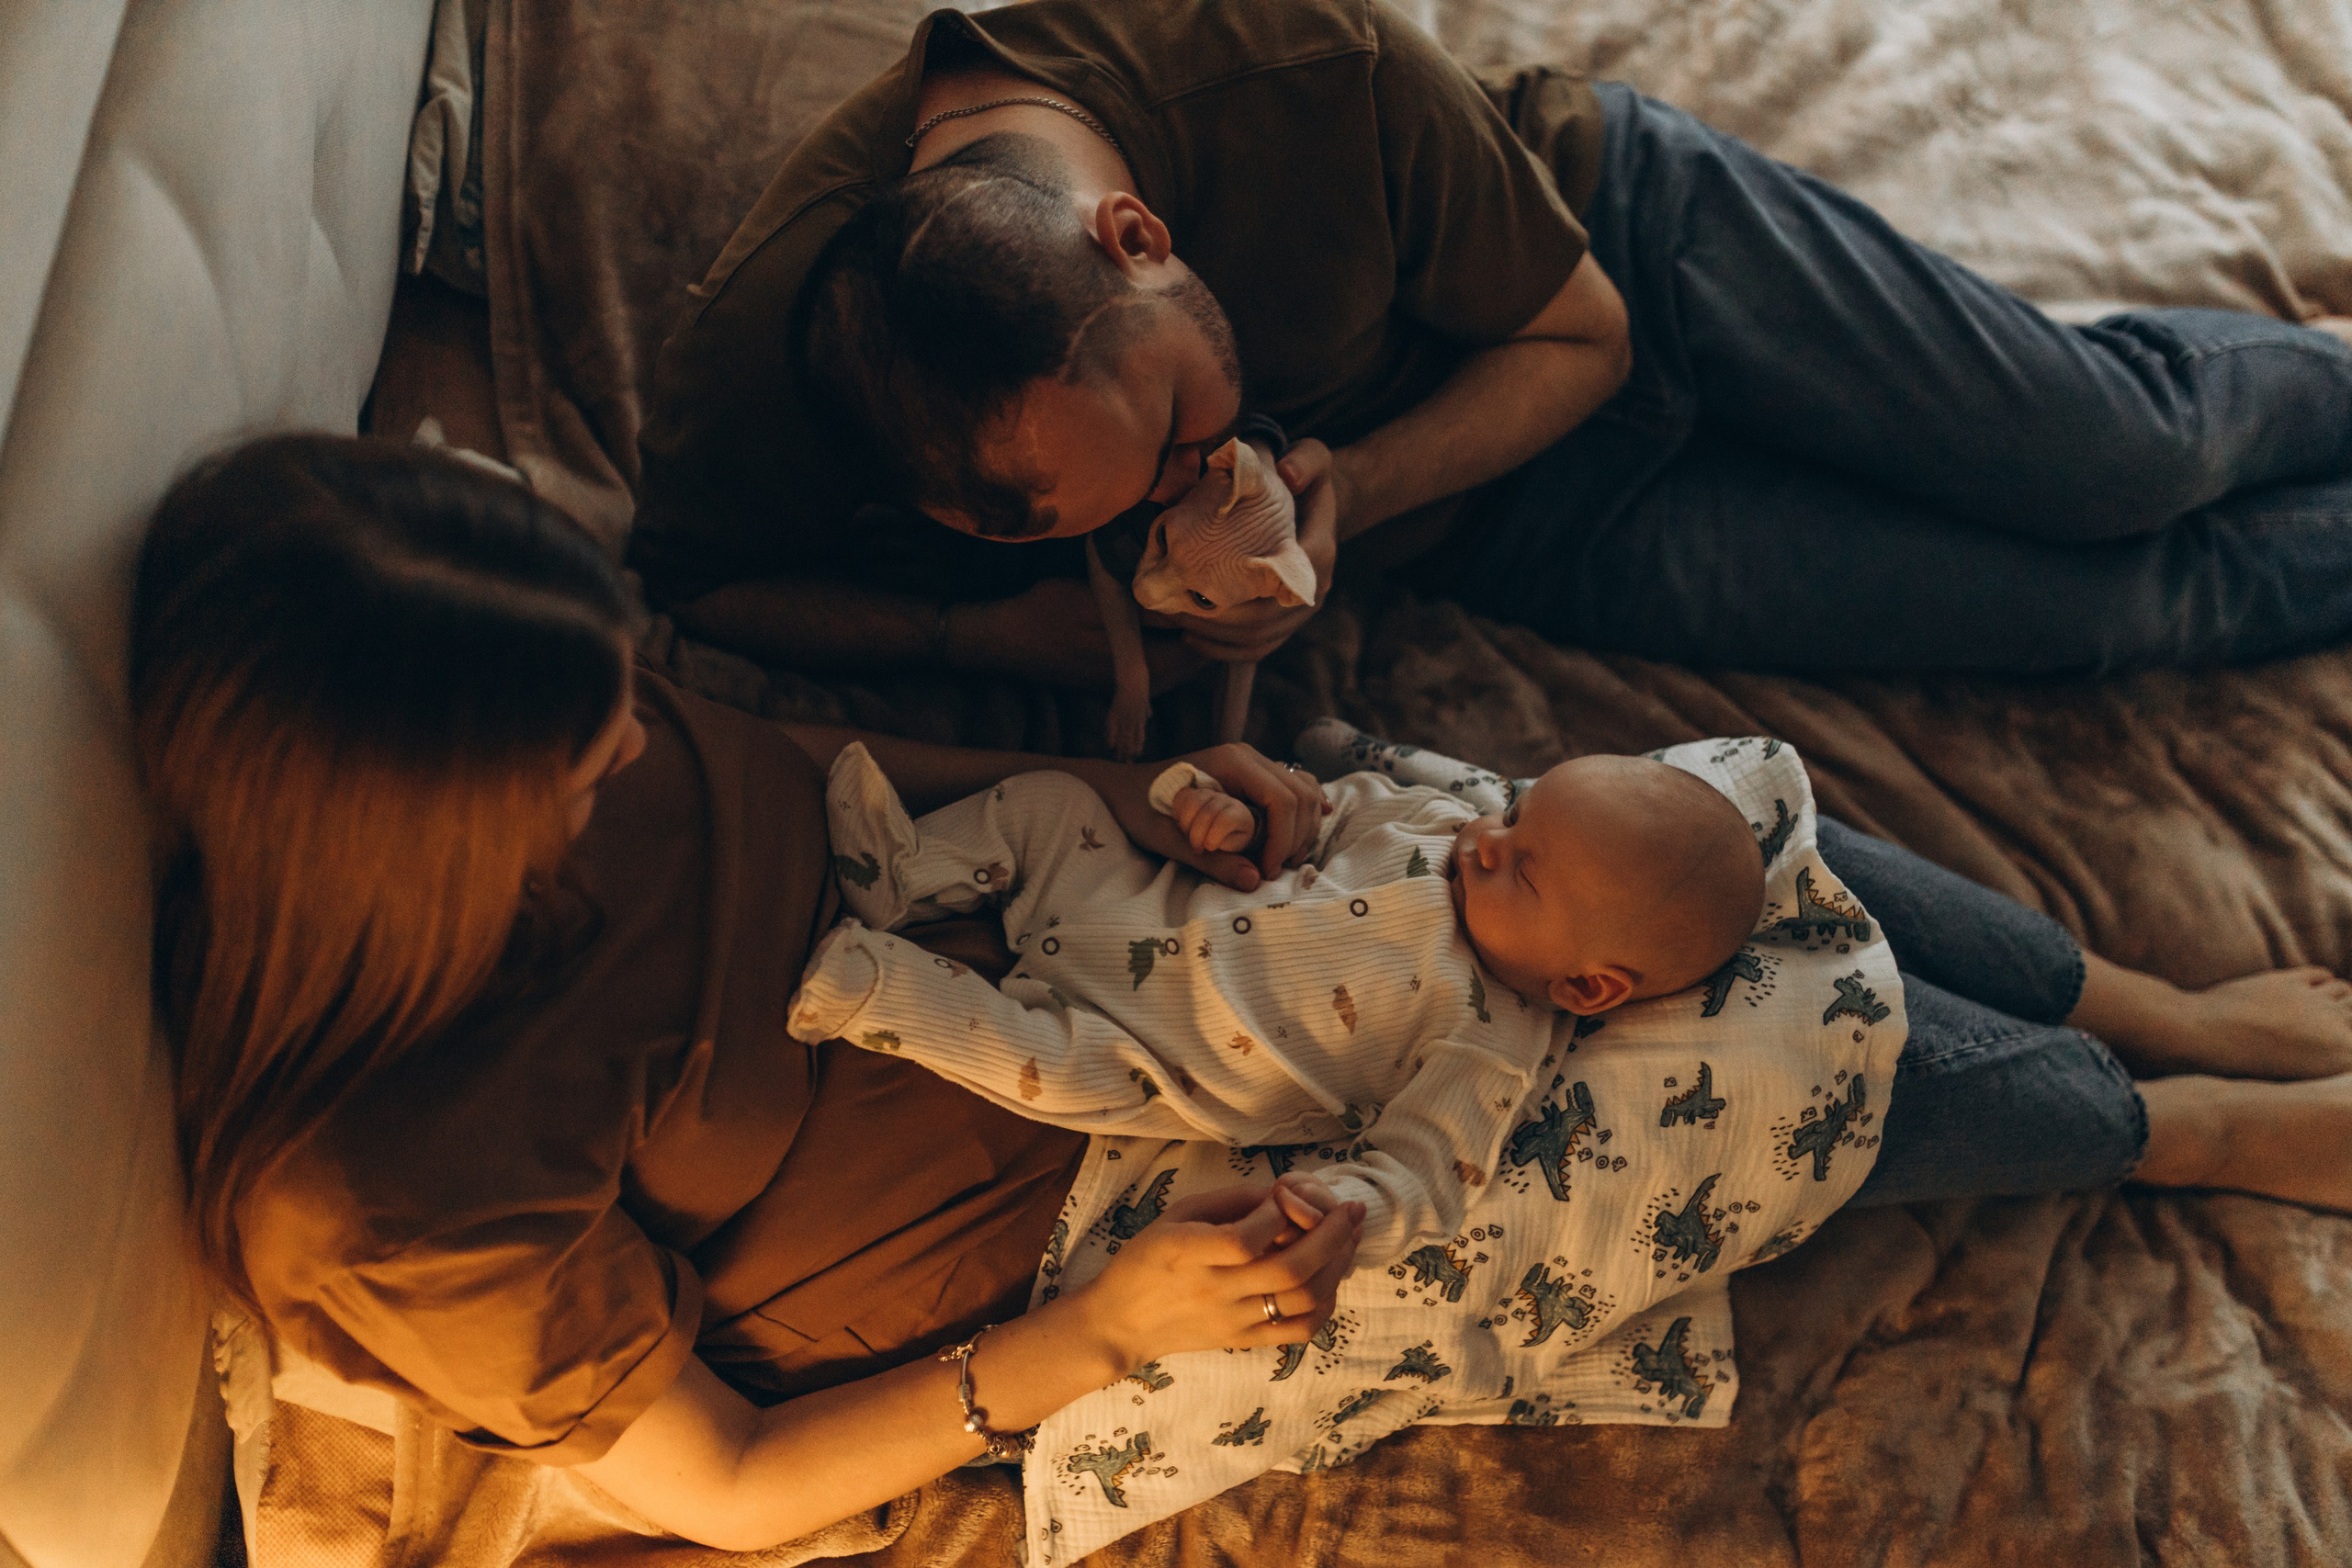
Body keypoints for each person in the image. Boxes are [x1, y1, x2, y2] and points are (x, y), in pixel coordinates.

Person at [138, 435, 2352, 1551]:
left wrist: (1153, 788)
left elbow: (825, 785)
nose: (633, 745)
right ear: (406, 836)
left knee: (1679, 823)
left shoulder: (539, 695)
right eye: (584, 758)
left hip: (1116, 904)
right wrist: (1099, 1337)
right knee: (1738, 1057)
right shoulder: (395, 1182)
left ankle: (2145, 990)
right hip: (1115, 1205)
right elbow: (717, 1482)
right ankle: (2173, 1117)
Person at [633, 0, 2352, 701]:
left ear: (1138, 239)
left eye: (1180, 433)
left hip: (1620, 262)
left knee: (2125, 459)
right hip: (1523, 522)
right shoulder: (768, 375)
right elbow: (700, 592)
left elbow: (1579, 331)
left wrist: (1346, 487)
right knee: (2121, 609)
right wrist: (1017, 631)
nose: (1185, 487)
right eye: (1105, 504)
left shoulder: (1282, 51)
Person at [789, 744, 1765, 1263]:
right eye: (1511, 812)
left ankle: (876, 989)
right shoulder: (1434, 822)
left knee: (1033, 1065)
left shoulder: (1490, 1042)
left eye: (1521, 870)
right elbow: (1323, 811)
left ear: (1585, 985)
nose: (1482, 839)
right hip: (1126, 899)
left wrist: (1340, 1207)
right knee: (1051, 804)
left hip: (1145, 1052)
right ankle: (903, 876)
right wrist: (1236, 812)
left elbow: (1423, 1179)